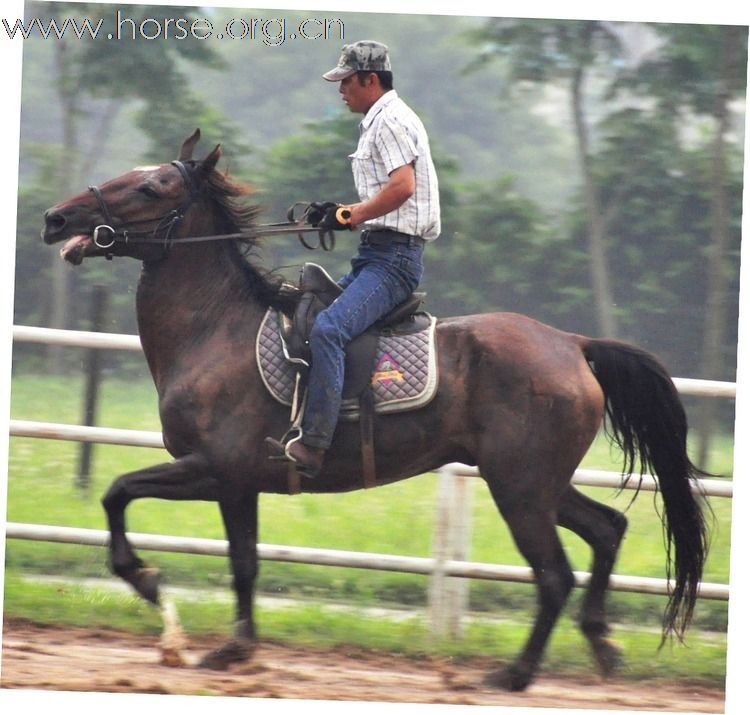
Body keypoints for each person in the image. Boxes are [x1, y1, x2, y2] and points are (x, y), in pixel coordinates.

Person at [273, 40, 441, 478]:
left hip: (393, 261)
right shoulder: (379, 120)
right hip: (377, 253)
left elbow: (403, 187)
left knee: (328, 329)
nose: (340, 90)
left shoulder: (390, 121)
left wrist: (351, 214)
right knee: (314, 317)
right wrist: (338, 213)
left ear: (370, 79)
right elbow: (388, 196)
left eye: (346, 81)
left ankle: (316, 445)